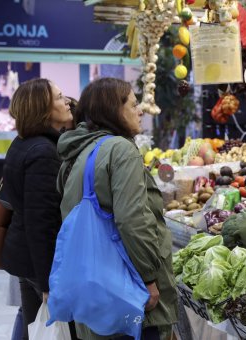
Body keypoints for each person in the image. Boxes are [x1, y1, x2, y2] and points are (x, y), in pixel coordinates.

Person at [56, 77, 177, 340]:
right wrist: (147, 278)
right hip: (127, 290)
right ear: (114, 110)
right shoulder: (121, 150)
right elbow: (132, 220)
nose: (140, 110)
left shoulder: (79, 152)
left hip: (94, 290)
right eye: (134, 104)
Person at [1, 78, 74, 340]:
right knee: (43, 324)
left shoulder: (24, 142)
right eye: (59, 97)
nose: (66, 101)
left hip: (24, 256)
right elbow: (41, 223)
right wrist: (48, 283)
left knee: (31, 320)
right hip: (38, 263)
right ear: (43, 110)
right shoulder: (43, 152)